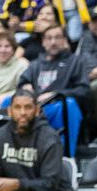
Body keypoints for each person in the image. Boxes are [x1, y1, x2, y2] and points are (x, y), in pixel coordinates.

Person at [17, 24, 89, 157]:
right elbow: (22, 83)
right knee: (7, 102)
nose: (53, 42)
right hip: (34, 108)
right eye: (49, 38)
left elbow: (83, 90)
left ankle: (66, 158)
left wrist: (56, 94)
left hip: (59, 107)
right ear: (43, 42)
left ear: (64, 40)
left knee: (69, 105)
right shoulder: (35, 64)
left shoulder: (76, 61)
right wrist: (25, 86)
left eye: (57, 37)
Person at [77, 4, 97, 134]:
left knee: (96, 86)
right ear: (89, 23)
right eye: (95, 20)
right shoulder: (84, 37)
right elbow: (76, 58)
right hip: (84, 77)